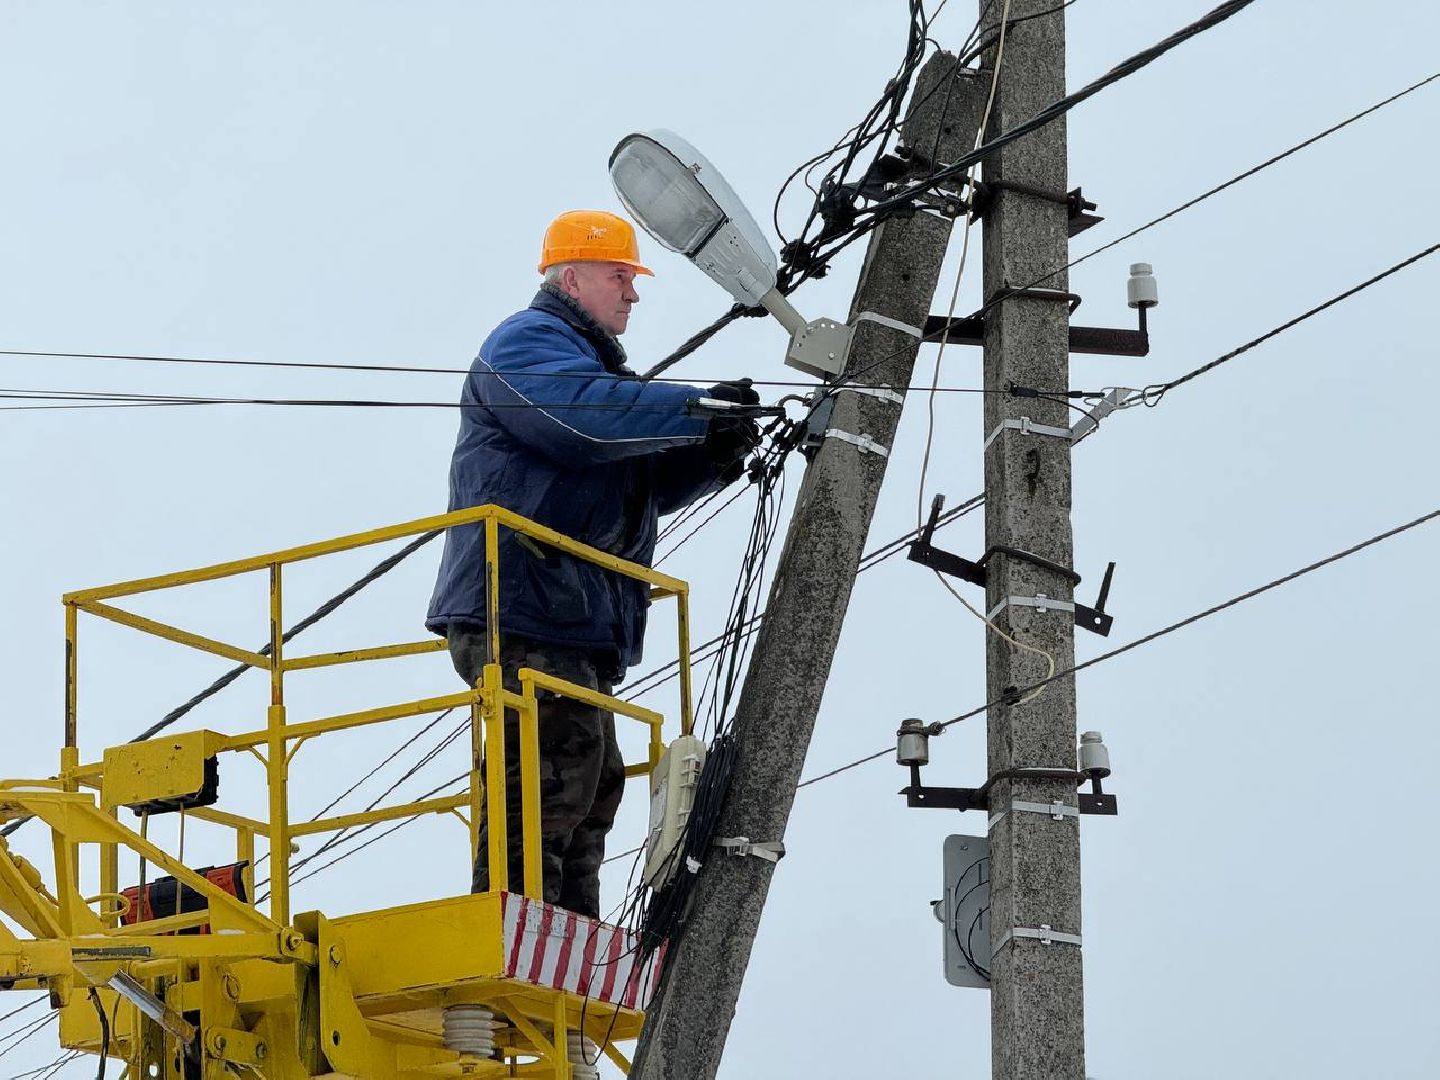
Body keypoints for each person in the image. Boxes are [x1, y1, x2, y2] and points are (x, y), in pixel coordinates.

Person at [426, 209, 758, 918]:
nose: (633, 294)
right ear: (571, 278)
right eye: (621, 277)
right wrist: (693, 410)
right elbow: (581, 420)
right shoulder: (526, 343)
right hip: (523, 600)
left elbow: (638, 488)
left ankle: (565, 943)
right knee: (554, 774)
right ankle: (518, 928)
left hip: (568, 612)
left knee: (593, 780)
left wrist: (715, 449)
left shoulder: (597, 377)